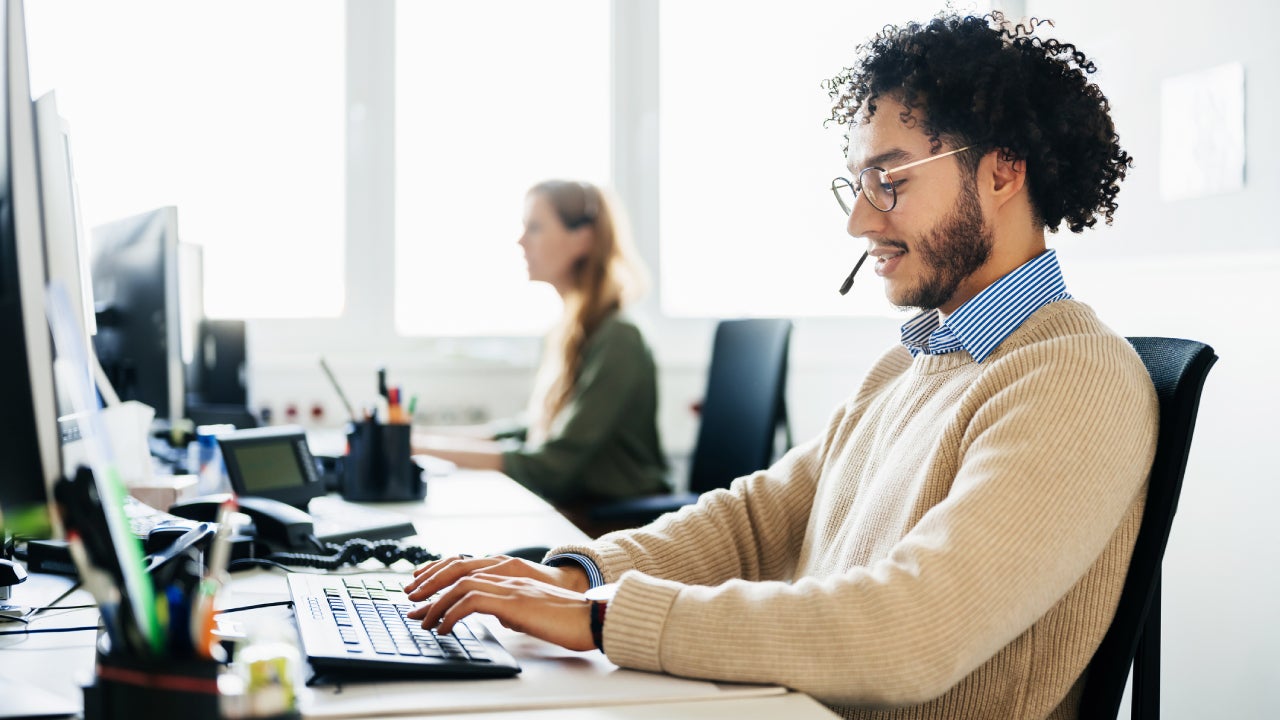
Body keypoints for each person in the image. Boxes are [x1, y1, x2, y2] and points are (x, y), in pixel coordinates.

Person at [404, 12, 1159, 719]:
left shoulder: (1073, 379)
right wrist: (577, 577)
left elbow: (908, 631)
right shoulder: (913, 364)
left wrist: (599, 621)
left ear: (1001, 172)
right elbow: (755, 523)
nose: (859, 220)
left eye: (889, 180)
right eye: (857, 183)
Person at [413, 180, 670, 528]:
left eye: (534, 227)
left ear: (583, 238)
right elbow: (535, 428)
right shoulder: (572, 329)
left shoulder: (619, 337)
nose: (521, 241)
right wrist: (424, 440)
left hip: (611, 524)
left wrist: (423, 449)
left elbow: (552, 466)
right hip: (577, 508)